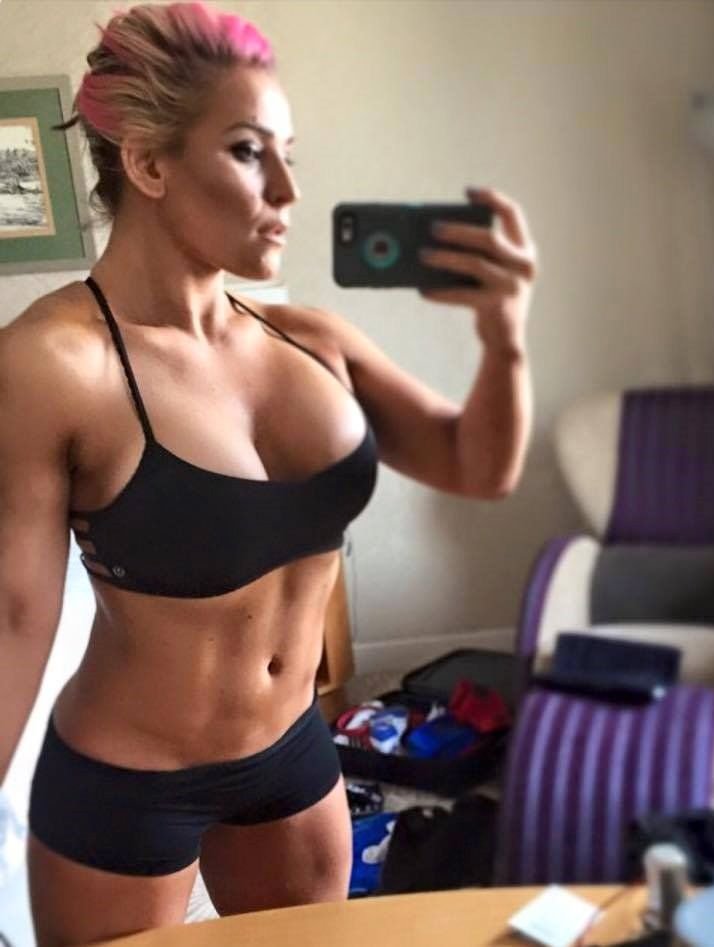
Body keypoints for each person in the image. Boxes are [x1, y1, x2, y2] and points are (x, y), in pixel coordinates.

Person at [0, 3, 536, 945]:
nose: (288, 189)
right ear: (149, 164)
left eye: (290, 154)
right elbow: (13, 617)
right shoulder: (55, 364)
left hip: (292, 756)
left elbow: (475, 464)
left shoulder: (310, 340)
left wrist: (504, 336)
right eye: (250, 152)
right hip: (130, 780)